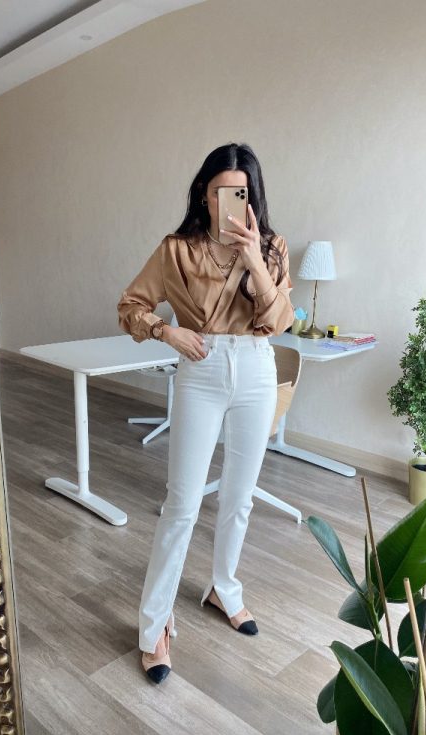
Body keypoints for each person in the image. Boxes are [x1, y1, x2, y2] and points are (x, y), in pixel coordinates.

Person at [117, 142, 294, 683]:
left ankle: (224, 588)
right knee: (183, 503)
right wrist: (167, 332)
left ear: (253, 197)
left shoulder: (273, 248)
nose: (229, 203)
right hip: (201, 368)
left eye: (240, 193)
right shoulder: (177, 251)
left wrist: (253, 258)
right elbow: (130, 305)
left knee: (240, 496)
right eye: (220, 192)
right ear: (203, 193)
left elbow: (280, 321)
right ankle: (154, 627)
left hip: (257, 367)